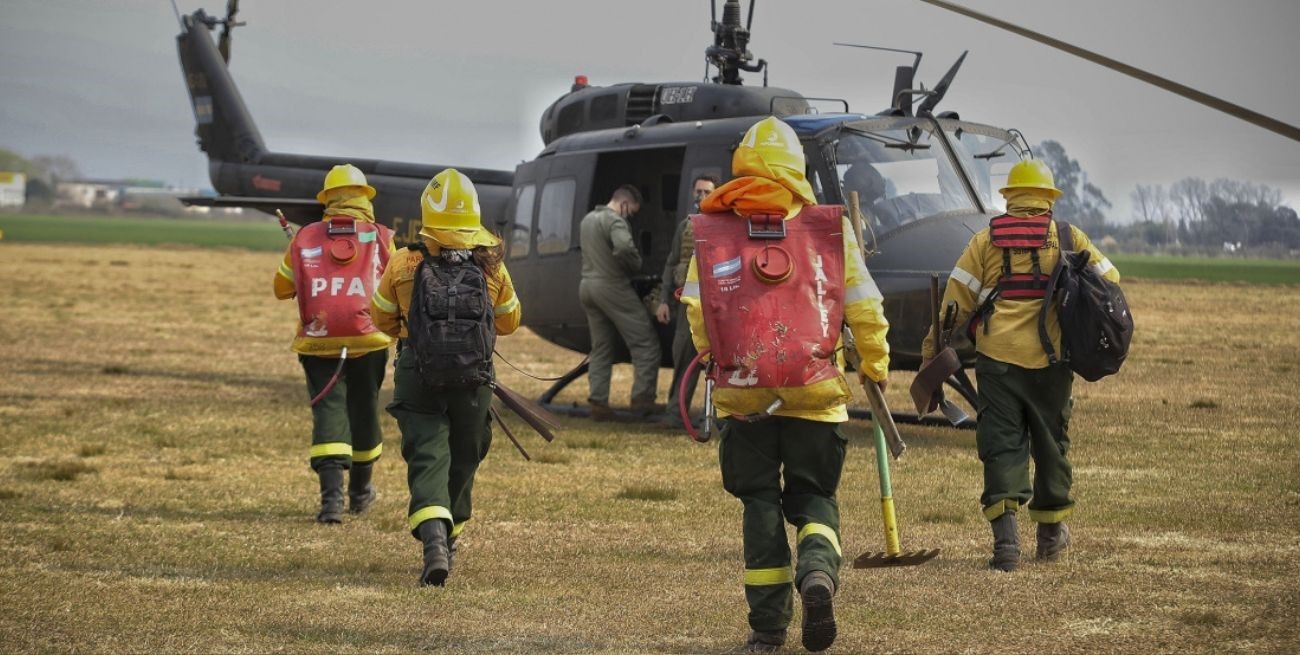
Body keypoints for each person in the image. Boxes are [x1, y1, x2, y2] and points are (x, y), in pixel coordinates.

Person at [680, 117, 891, 653]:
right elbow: (865, 307)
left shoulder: (712, 229)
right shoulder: (830, 228)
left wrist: (720, 358)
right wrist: (874, 363)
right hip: (815, 394)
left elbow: (696, 310)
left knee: (759, 504)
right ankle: (817, 571)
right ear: (797, 169)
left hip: (743, 393)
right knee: (815, 495)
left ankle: (768, 629)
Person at [920, 158, 1120, 572]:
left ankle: (1007, 545)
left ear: (1009, 197)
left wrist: (930, 351)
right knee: (1051, 444)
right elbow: (1111, 280)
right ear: (1048, 198)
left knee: (1001, 445)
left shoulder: (984, 241)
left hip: (998, 363)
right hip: (1053, 362)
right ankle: (1050, 538)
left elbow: (954, 303)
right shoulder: (1069, 237)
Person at [371, 168, 521, 587]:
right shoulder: (491, 264)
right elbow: (510, 321)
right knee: (465, 453)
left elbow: (380, 317)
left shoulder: (404, 261)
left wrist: (416, 332)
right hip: (474, 377)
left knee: (427, 452)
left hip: (417, 371)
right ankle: (450, 535)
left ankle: (434, 539)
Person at [274, 163, 395, 524]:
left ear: (327, 199)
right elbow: (397, 286)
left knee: (328, 410)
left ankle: (331, 504)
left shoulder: (305, 237)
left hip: (319, 340)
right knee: (364, 409)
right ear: (365, 198)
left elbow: (281, 289)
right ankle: (360, 493)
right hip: (369, 339)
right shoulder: (382, 236)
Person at [578, 185, 661, 420]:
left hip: (587, 286)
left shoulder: (588, 220)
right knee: (645, 343)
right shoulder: (615, 221)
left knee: (601, 347)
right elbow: (624, 247)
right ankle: (642, 399)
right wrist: (636, 264)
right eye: (631, 212)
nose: (630, 216)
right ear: (623, 204)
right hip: (611, 286)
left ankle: (598, 403)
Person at [655, 174, 719, 429]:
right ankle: (675, 413)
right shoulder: (686, 225)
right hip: (688, 306)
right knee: (683, 356)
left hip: (716, 307)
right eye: (698, 192)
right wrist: (663, 300)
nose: (701, 196)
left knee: (719, 362)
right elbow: (672, 263)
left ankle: (712, 417)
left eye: (707, 192)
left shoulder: (725, 224)